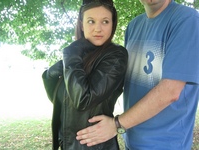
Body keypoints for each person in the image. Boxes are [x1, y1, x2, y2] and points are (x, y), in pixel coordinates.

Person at [76, 0, 199, 149]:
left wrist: (116, 124)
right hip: (131, 140)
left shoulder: (186, 20)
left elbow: (170, 91)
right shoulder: (134, 26)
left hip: (166, 144)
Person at [42, 0, 128, 149]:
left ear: (112, 24)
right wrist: (49, 76)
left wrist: (70, 53)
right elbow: (61, 101)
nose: (98, 29)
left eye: (105, 21)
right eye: (91, 21)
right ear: (81, 24)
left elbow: (83, 99)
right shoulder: (79, 55)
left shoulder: (116, 56)